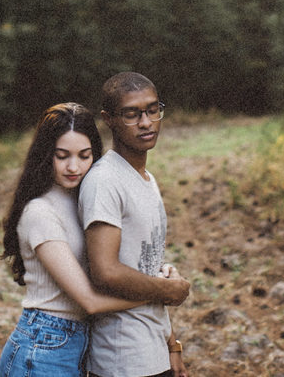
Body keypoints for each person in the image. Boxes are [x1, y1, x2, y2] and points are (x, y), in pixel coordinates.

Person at [0, 103, 153, 377]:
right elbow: (89, 301)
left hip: (77, 344)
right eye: (62, 156)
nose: (74, 167)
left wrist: (157, 276)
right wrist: (156, 294)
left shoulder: (87, 202)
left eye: (84, 156)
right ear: (46, 155)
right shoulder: (40, 212)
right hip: (42, 348)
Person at [79, 72, 191, 377]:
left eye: (153, 110)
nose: (146, 122)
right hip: (123, 359)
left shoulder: (146, 178)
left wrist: (172, 345)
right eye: (132, 114)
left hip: (153, 350)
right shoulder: (105, 181)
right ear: (109, 119)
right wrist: (168, 290)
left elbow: (145, 265)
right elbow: (105, 271)